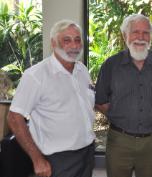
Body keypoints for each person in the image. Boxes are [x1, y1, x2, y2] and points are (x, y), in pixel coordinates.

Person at [7, 20, 95, 177]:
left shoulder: (82, 70)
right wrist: (37, 159)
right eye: (66, 40)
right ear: (54, 43)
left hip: (87, 152)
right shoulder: (36, 75)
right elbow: (14, 118)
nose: (74, 45)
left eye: (77, 39)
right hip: (57, 158)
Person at [95, 14, 152, 177]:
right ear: (125, 36)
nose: (141, 37)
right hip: (119, 141)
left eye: (145, 33)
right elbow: (100, 101)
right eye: (135, 32)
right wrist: (120, 115)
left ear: (151, 37)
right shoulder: (111, 65)